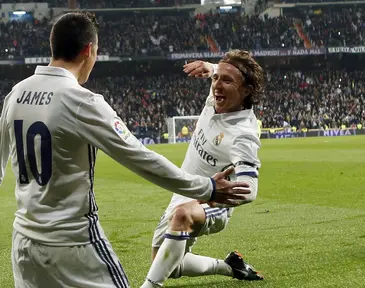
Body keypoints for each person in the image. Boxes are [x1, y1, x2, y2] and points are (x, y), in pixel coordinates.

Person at [0, 13, 250, 288]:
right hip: (73, 243)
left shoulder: (16, 94)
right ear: (89, 50)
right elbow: (140, 157)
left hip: (23, 243)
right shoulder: (81, 101)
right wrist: (207, 188)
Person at [141, 50, 265, 288]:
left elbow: (250, 189)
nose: (217, 85)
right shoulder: (217, 97)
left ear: (246, 91)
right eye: (217, 78)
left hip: (212, 200)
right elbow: (220, 78)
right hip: (184, 191)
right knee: (168, 264)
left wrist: (214, 195)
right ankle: (231, 266)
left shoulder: (242, 134)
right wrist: (211, 68)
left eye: (227, 81)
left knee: (183, 216)